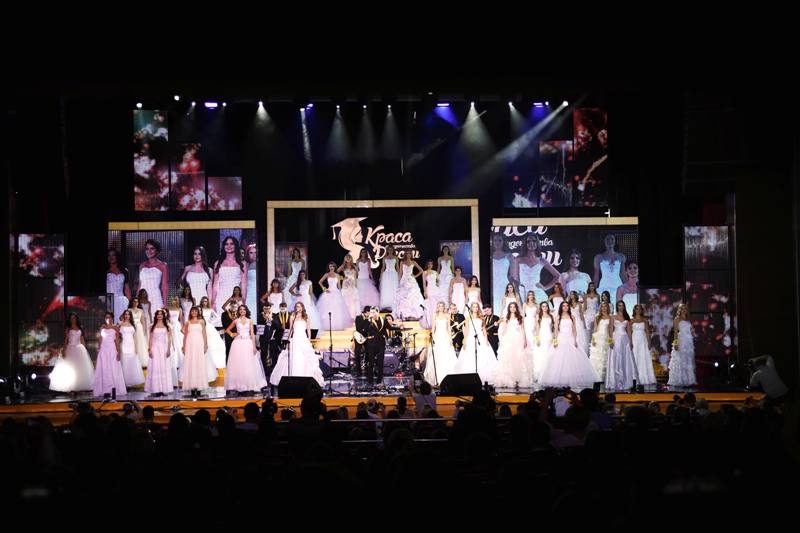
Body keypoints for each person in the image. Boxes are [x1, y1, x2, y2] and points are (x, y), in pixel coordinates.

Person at [538, 301, 601, 389]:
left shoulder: (572, 317)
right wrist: (555, 341)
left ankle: (572, 379)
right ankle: (561, 379)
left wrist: (575, 340)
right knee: (559, 359)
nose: (565, 307)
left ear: (568, 307)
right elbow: (556, 330)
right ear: (561, 307)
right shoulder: (558, 317)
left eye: (567, 306)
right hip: (561, 339)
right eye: (563, 306)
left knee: (573, 360)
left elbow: (574, 330)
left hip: (570, 339)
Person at [269, 302, 324, 387]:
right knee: (295, 358)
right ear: (295, 308)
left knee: (305, 359)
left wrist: (309, 341)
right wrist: (288, 340)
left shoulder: (306, 317)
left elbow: (308, 329)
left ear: (303, 307)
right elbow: (291, 329)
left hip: (303, 339)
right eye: (297, 306)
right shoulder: (292, 316)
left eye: (300, 306)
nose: (299, 307)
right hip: (295, 339)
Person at [225, 305, 268, 392]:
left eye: (244, 309)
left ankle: (249, 384)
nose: (242, 311)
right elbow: (227, 330)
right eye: (240, 309)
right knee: (238, 364)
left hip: (247, 343)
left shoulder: (250, 321)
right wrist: (233, 334)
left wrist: (254, 346)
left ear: (246, 311)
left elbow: (252, 334)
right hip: (238, 343)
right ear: (238, 311)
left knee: (248, 363)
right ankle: (239, 385)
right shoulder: (236, 320)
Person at [509, 232, 560, 305]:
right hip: (523, 293)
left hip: (538, 294)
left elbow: (558, 275)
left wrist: (545, 288)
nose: (531, 243)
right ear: (525, 244)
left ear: (537, 243)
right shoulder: (519, 259)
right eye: (528, 241)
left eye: (534, 241)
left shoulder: (541, 260)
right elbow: (516, 281)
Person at [453, 301, 497, 385]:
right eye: (474, 307)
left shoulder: (481, 318)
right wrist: (464, 341)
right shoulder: (468, 318)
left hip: (480, 338)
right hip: (470, 338)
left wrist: (486, 340)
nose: (475, 308)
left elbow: (484, 330)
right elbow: (466, 330)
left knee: (483, 357)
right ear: (471, 308)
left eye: (477, 307)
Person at [50, 313, 96, 392]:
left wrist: (85, 351)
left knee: (80, 369)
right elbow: (65, 340)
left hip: (79, 348)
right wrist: (64, 351)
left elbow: (82, 339)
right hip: (70, 348)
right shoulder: (68, 328)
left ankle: (79, 386)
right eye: (71, 318)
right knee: (71, 368)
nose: (72, 319)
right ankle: (71, 386)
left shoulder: (80, 327)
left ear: (76, 319)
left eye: (74, 318)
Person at [495, 302, 534, 389]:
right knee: (509, 359)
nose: (512, 308)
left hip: (518, 339)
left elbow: (523, 329)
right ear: (509, 308)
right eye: (511, 307)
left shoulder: (520, 318)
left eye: (514, 307)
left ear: (516, 308)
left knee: (519, 359)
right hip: (508, 339)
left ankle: (519, 380)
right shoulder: (506, 318)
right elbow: (504, 330)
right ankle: (510, 380)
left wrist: (524, 340)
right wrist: (502, 341)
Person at [212, 235, 247, 318]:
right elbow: (215, 284)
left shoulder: (242, 263)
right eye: (226, 244)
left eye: (231, 244)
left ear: (235, 246)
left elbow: (244, 285)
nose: (229, 246)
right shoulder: (218, 263)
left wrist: (243, 300)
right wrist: (213, 302)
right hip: (221, 296)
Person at [93, 312, 126, 397]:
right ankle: (104, 390)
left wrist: (118, 352)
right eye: (106, 317)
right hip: (103, 349)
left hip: (112, 348)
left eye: (110, 317)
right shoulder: (102, 327)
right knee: (104, 368)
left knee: (113, 367)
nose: (108, 318)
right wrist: (98, 350)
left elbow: (117, 341)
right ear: (104, 318)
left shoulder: (115, 328)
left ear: (112, 318)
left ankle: (115, 389)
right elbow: (100, 339)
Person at [424, 301, 457, 385]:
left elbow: (449, 328)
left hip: (445, 336)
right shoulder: (435, 316)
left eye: (442, 306)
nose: (441, 308)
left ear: (444, 307)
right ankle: (437, 378)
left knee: (446, 355)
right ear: (437, 307)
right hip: (437, 336)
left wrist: (450, 338)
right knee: (437, 356)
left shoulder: (447, 315)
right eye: (439, 306)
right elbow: (433, 328)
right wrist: (432, 338)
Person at [606, 300, 636, 391]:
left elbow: (629, 331)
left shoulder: (627, 317)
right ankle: (615, 381)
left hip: (625, 340)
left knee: (625, 360)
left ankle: (626, 381)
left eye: (622, 305)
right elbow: (611, 330)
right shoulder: (613, 317)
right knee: (616, 359)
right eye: (619, 305)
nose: (621, 307)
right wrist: (610, 341)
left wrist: (631, 342)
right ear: (617, 307)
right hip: (616, 339)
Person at [182, 306, 212, 396]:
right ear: (190, 312)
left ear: (198, 312)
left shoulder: (201, 321)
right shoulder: (187, 322)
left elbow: (204, 334)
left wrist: (205, 345)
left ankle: (199, 388)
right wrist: (184, 347)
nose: (194, 312)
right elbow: (185, 336)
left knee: (199, 363)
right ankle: (192, 388)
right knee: (191, 363)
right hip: (190, 345)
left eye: (195, 311)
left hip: (199, 344)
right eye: (192, 311)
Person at [316, 261, 353, 330]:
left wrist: (341, 292)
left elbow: (339, 285)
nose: (331, 268)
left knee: (337, 309)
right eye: (330, 266)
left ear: (334, 267)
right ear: (328, 267)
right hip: (329, 292)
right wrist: (324, 289)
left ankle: (336, 325)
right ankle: (327, 325)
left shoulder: (337, 275)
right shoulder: (327, 274)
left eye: (333, 266)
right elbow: (320, 282)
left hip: (336, 293)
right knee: (327, 308)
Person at [628, 304, 657, 388]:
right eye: (637, 309)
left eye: (640, 309)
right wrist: (630, 342)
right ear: (634, 310)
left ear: (642, 310)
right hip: (635, 340)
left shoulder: (645, 320)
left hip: (643, 340)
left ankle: (645, 378)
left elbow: (647, 332)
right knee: (635, 357)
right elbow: (629, 332)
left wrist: (649, 341)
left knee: (643, 357)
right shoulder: (631, 320)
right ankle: (634, 378)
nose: (638, 310)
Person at [668, 303, 697, 388]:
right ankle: (679, 380)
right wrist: (676, 343)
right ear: (679, 310)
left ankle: (688, 380)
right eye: (682, 308)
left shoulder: (688, 319)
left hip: (688, 341)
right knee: (680, 360)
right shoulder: (677, 319)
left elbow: (690, 330)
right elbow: (675, 332)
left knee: (688, 360)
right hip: (681, 340)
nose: (683, 310)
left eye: (685, 309)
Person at [145, 308, 173, 395]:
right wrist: (150, 350)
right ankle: (156, 389)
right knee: (155, 366)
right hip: (155, 347)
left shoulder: (168, 326)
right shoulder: (152, 326)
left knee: (163, 367)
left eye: (161, 314)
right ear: (156, 316)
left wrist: (169, 349)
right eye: (158, 314)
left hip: (163, 347)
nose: (160, 315)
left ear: (164, 316)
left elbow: (169, 339)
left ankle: (163, 388)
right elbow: (150, 339)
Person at [138, 239, 168, 316]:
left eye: (152, 248)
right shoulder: (142, 265)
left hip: (155, 296)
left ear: (157, 250)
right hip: (143, 296)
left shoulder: (162, 265)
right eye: (147, 249)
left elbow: (164, 286)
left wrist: (165, 304)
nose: (149, 251)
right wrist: (136, 300)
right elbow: (140, 284)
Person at [593, 233, 626, 297]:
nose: (610, 241)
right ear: (604, 241)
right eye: (607, 239)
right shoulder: (598, 257)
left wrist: (629, 289)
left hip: (617, 285)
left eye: (612, 239)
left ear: (615, 241)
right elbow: (596, 278)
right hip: (604, 286)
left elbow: (624, 276)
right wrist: (592, 292)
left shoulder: (621, 256)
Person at [118, 309, 145, 387]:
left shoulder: (134, 324)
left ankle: (129, 382)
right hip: (123, 345)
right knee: (124, 363)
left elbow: (135, 338)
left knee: (130, 363)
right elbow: (117, 335)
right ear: (123, 315)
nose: (127, 316)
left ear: (130, 316)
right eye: (125, 314)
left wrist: (136, 348)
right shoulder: (120, 324)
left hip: (131, 345)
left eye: (128, 314)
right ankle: (123, 382)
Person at [395, 253, 425, 320]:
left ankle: (413, 314)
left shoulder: (413, 262)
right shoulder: (402, 262)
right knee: (404, 297)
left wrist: (415, 276)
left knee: (413, 297)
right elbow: (400, 273)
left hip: (411, 281)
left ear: (411, 255)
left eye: (409, 254)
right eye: (407, 254)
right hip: (404, 281)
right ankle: (405, 315)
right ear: (405, 254)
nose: (408, 255)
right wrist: (399, 281)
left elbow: (421, 270)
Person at [199, 296, 226, 369]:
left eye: (205, 301)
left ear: (207, 302)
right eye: (203, 301)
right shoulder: (199, 309)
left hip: (209, 326)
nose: (204, 303)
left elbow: (218, 317)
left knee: (212, 343)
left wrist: (211, 322)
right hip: (201, 326)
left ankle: (213, 362)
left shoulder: (210, 310)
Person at [365, 307, 389, 385]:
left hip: (381, 343)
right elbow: (365, 330)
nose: (372, 314)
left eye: (374, 312)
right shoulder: (369, 320)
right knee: (371, 362)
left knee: (380, 361)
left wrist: (399, 327)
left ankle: (379, 379)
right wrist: (368, 321)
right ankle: (370, 379)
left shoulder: (383, 319)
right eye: (371, 312)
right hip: (371, 343)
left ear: (378, 312)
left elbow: (389, 327)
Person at [589, 302, 613, 379]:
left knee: (605, 356)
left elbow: (611, 330)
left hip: (606, 338)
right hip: (598, 338)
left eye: (605, 306)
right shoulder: (597, 317)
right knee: (598, 357)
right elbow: (595, 329)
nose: (604, 308)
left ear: (607, 308)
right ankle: (597, 376)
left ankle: (605, 376)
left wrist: (610, 341)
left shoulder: (611, 317)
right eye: (602, 306)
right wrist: (593, 339)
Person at [491, 232, 511, 316]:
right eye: (495, 240)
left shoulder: (509, 256)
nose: (497, 243)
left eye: (500, 240)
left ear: (503, 242)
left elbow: (513, 275)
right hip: (493, 285)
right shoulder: (490, 256)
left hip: (504, 284)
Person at [107, 248, 131, 317]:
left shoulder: (124, 270)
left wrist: (131, 303)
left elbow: (127, 289)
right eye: (109, 255)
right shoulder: (106, 271)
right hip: (109, 299)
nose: (111, 257)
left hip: (121, 300)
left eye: (113, 255)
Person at [533, 301, 553, 381]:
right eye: (543, 306)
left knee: (548, 354)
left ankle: (548, 373)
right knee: (540, 354)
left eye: (546, 306)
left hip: (549, 336)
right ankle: (540, 374)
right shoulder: (538, 316)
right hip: (541, 336)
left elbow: (552, 327)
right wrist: (537, 339)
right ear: (541, 308)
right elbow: (537, 329)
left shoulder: (551, 316)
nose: (545, 308)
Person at [337, 254, 361, 321]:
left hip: (352, 285)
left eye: (349, 257)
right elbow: (335, 273)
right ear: (345, 258)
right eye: (346, 257)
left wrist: (356, 286)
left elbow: (355, 277)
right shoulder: (343, 266)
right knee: (346, 300)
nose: (348, 258)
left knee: (353, 300)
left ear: (351, 258)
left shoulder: (354, 266)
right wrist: (342, 278)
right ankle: (347, 316)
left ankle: (353, 316)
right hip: (346, 284)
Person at [128, 297, 149, 368]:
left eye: (137, 301)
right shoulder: (129, 310)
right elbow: (122, 318)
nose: (135, 303)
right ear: (132, 302)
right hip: (131, 328)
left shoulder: (141, 311)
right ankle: (132, 361)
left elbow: (143, 321)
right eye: (134, 301)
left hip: (139, 328)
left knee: (140, 343)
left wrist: (144, 330)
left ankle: (140, 361)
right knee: (132, 343)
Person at [167, 296, 184, 384]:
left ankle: (179, 361)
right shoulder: (168, 309)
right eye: (173, 300)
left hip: (177, 326)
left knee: (178, 342)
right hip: (171, 325)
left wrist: (182, 328)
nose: (174, 301)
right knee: (172, 341)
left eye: (175, 300)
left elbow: (181, 320)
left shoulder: (179, 309)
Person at [568, 291, 590, 356]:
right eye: (570, 294)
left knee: (580, 337)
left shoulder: (579, 304)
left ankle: (580, 353)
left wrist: (584, 324)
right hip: (571, 322)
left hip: (578, 322)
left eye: (572, 294)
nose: (571, 295)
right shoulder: (568, 304)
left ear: (575, 295)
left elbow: (581, 315)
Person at [379, 245, 399, 312]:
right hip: (386, 274)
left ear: (393, 250)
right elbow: (383, 267)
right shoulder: (385, 258)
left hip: (393, 274)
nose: (390, 250)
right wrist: (381, 276)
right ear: (387, 250)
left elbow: (397, 267)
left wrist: (399, 276)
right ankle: (386, 304)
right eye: (389, 249)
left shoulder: (396, 257)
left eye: (391, 249)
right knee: (386, 290)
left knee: (394, 289)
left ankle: (393, 304)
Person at [352, 306, 371, 378]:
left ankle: (368, 372)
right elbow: (359, 328)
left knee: (368, 355)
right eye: (370, 312)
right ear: (367, 312)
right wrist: (364, 331)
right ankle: (358, 373)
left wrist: (368, 321)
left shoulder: (370, 319)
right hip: (359, 337)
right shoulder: (358, 317)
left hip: (366, 338)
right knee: (357, 355)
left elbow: (368, 329)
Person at [421, 259, 439, 329]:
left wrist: (437, 284)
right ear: (427, 264)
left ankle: (436, 322)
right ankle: (429, 322)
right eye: (428, 264)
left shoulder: (435, 272)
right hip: (429, 290)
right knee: (429, 305)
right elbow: (424, 283)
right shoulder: (425, 272)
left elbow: (439, 280)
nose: (430, 265)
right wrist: (425, 292)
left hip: (435, 290)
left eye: (431, 264)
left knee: (435, 304)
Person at [244, 244, 258, 313]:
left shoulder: (259, 265)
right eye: (251, 253)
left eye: (255, 252)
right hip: (247, 291)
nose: (254, 255)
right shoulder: (245, 264)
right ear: (247, 254)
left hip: (256, 291)